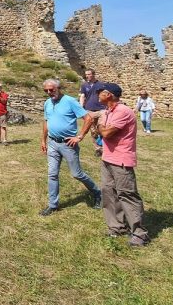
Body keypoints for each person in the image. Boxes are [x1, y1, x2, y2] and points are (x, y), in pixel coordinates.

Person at [78, 82, 149, 247]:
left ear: (108, 94)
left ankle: (139, 233)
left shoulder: (122, 111)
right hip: (108, 158)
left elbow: (107, 133)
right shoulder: (109, 111)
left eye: (100, 92)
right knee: (109, 193)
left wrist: (100, 124)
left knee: (127, 194)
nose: (97, 95)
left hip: (121, 160)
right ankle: (117, 227)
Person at [39, 78, 102, 216]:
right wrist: (43, 140)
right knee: (52, 174)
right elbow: (46, 122)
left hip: (68, 144)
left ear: (58, 88)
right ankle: (53, 205)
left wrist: (79, 136)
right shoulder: (47, 103)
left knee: (76, 173)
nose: (49, 92)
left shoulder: (70, 101)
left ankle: (98, 192)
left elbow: (88, 119)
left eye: (52, 89)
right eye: (46, 91)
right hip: (52, 143)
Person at [79, 69, 105, 155]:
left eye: (89, 74)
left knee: (102, 128)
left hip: (101, 109)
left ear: (93, 74)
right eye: (86, 74)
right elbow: (82, 96)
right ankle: (98, 149)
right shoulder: (84, 85)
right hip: (89, 110)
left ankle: (104, 147)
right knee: (93, 131)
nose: (87, 76)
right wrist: (81, 108)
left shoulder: (101, 85)